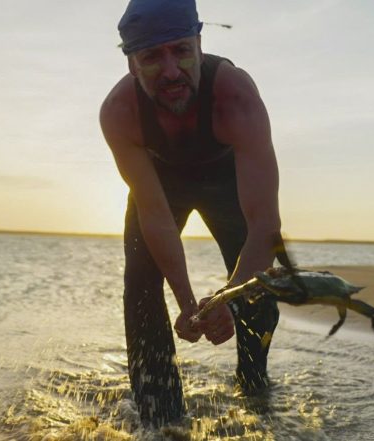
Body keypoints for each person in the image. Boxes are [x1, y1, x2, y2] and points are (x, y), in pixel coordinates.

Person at [99, 0, 281, 426]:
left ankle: (255, 393)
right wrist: (187, 304)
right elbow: (156, 215)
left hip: (227, 179)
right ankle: (161, 418)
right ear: (132, 65)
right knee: (141, 282)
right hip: (161, 183)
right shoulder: (119, 113)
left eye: (181, 50)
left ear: (199, 45)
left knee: (258, 288)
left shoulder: (235, 96)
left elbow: (265, 226)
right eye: (151, 57)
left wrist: (226, 303)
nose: (170, 71)